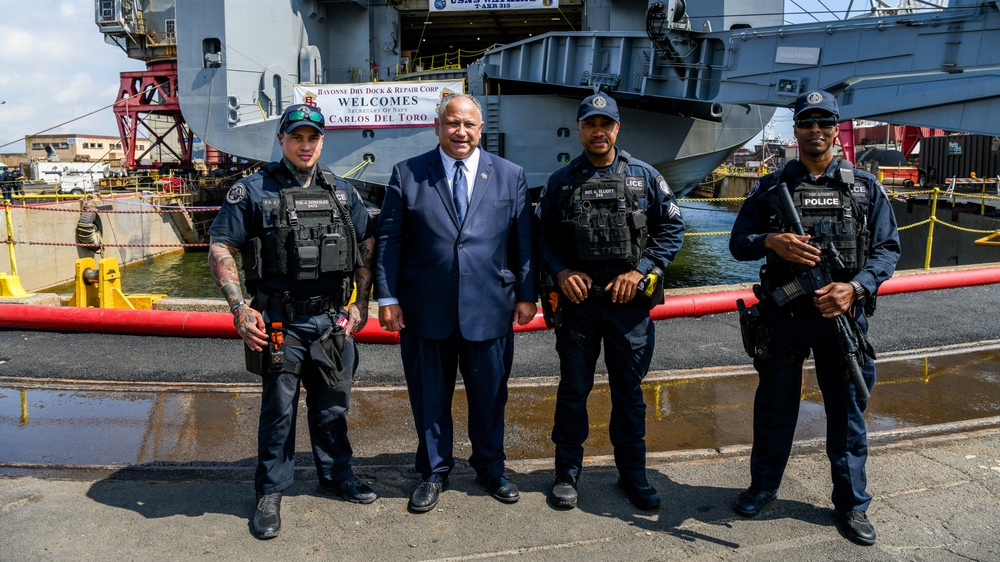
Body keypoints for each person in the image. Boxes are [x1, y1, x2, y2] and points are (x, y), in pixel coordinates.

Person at [729, 90, 901, 546]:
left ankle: (851, 504)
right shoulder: (770, 187)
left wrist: (854, 287)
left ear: (834, 128)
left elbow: (887, 251)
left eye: (825, 122)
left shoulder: (864, 188)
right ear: (796, 130)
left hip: (839, 316)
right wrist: (772, 241)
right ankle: (763, 487)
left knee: (846, 414)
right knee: (774, 408)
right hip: (784, 316)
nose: (816, 131)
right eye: (807, 122)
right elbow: (738, 242)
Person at [207, 103, 377, 540]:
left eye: (313, 138)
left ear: (322, 142)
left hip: (330, 321)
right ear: (282, 140)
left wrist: (360, 305)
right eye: (297, 137)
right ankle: (270, 491)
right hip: (278, 321)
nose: (305, 145)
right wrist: (239, 308)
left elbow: (367, 245)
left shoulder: (343, 192)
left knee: (333, 407)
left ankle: (338, 476)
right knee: (278, 412)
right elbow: (221, 247)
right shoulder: (252, 190)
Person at [375, 93, 537, 513]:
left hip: (490, 306)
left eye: (468, 124)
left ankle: (491, 467)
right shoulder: (407, 174)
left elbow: (524, 242)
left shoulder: (510, 175)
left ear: (481, 129)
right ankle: (433, 471)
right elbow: (390, 241)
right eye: (452, 123)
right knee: (429, 397)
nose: (460, 132)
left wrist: (526, 294)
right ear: (437, 127)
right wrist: (387, 296)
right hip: (425, 306)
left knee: (490, 395)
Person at [534, 92, 685, 511]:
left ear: (617, 129)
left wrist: (642, 272)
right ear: (580, 129)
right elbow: (542, 236)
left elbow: (673, 230)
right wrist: (562, 273)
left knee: (629, 393)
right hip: (579, 306)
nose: (598, 132)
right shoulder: (561, 182)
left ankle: (632, 474)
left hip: (628, 306)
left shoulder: (645, 177)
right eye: (590, 124)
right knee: (573, 392)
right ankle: (566, 473)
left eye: (606, 124)